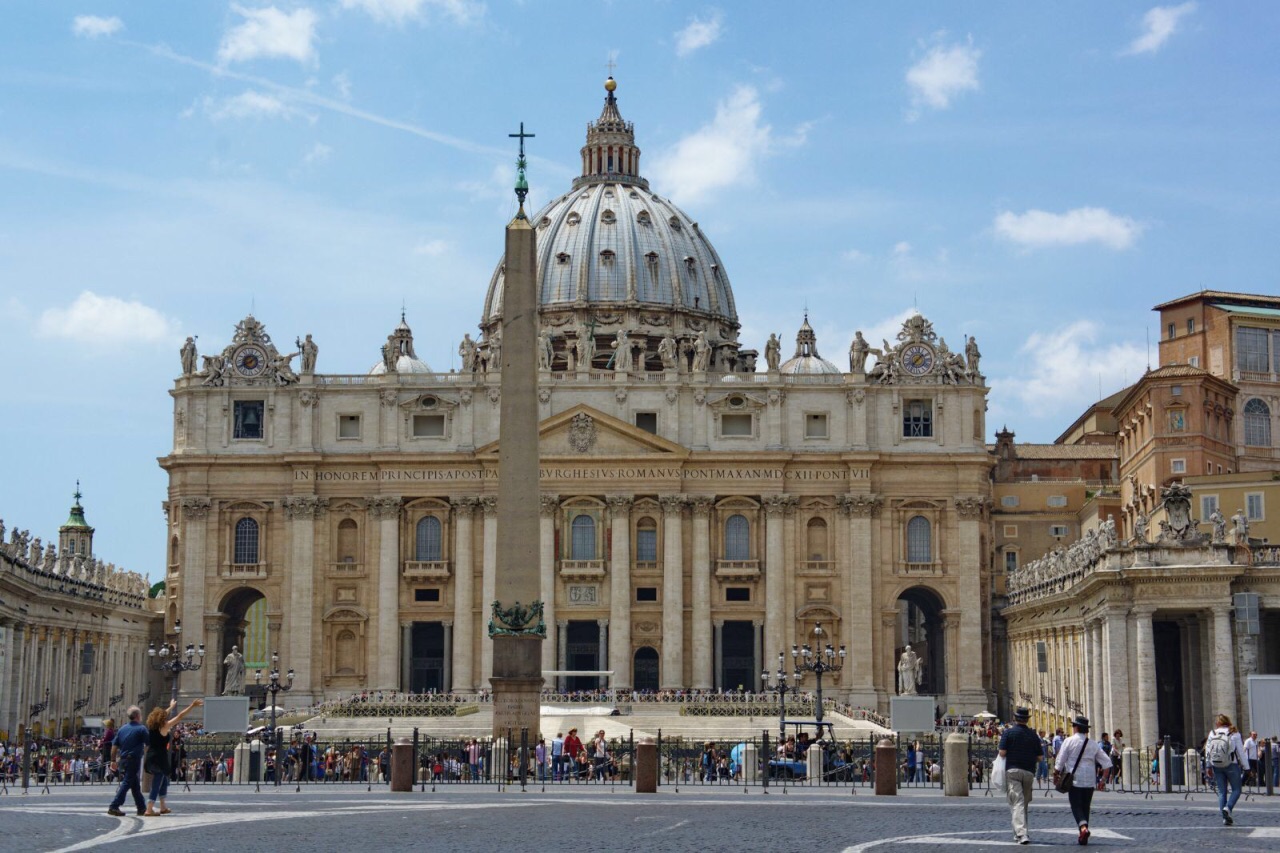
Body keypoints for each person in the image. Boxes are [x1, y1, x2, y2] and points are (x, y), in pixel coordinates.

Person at [1053, 715, 1111, 846]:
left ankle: (1083, 828)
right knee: (1086, 807)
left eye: (1073, 726)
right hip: (1090, 780)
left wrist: (1055, 774)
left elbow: (1060, 761)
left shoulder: (1068, 741)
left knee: (1076, 806)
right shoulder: (1093, 744)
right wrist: (1103, 780)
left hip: (1074, 780)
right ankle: (1083, 834)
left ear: (1077, 727)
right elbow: (1107, 763)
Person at [144, 698, 202, 816]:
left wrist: (171, 707)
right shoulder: (164, 727)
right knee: (157, 782)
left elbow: (162, 714)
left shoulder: (152, 726)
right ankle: (149, 808)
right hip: (159, 758)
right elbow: (180, 716)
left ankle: (163, 806)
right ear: (162, 719)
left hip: (151, 756)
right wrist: (192, 705)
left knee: (164, 780)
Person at [998, 707, 1043, 845]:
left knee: (1017, 802)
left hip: (1012, 771)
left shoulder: (1008, 733)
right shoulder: (1033, 735)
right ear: (1027, 719)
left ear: (1015, 718)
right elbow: (1040, 757)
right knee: (1023, 803)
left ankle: (1022, 834)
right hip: (1029, 772)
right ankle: (1018, 832)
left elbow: (1002, 753)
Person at [1207, 713, 1249, 825]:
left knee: (1222, 792)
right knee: (1237, 789)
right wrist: (1247, 767)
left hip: (1216, 765)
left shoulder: (1213, 733)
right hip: (1231, 764)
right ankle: (1228, 808)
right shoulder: (1234, 733)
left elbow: (1208, 750)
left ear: (1218, 723)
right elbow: (1240, 752)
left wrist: (1208, 766)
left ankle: (1225, 818)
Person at [107, 706, 148, 817]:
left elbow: (114, 746)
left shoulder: (122, 729)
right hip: (134, 759)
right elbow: (149, 744)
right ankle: (114, 806)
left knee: (134, 784)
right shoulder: (141, 729)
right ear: (138, 716)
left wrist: (112, 760)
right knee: (127, 782)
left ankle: (141, 808)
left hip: (123, 760)